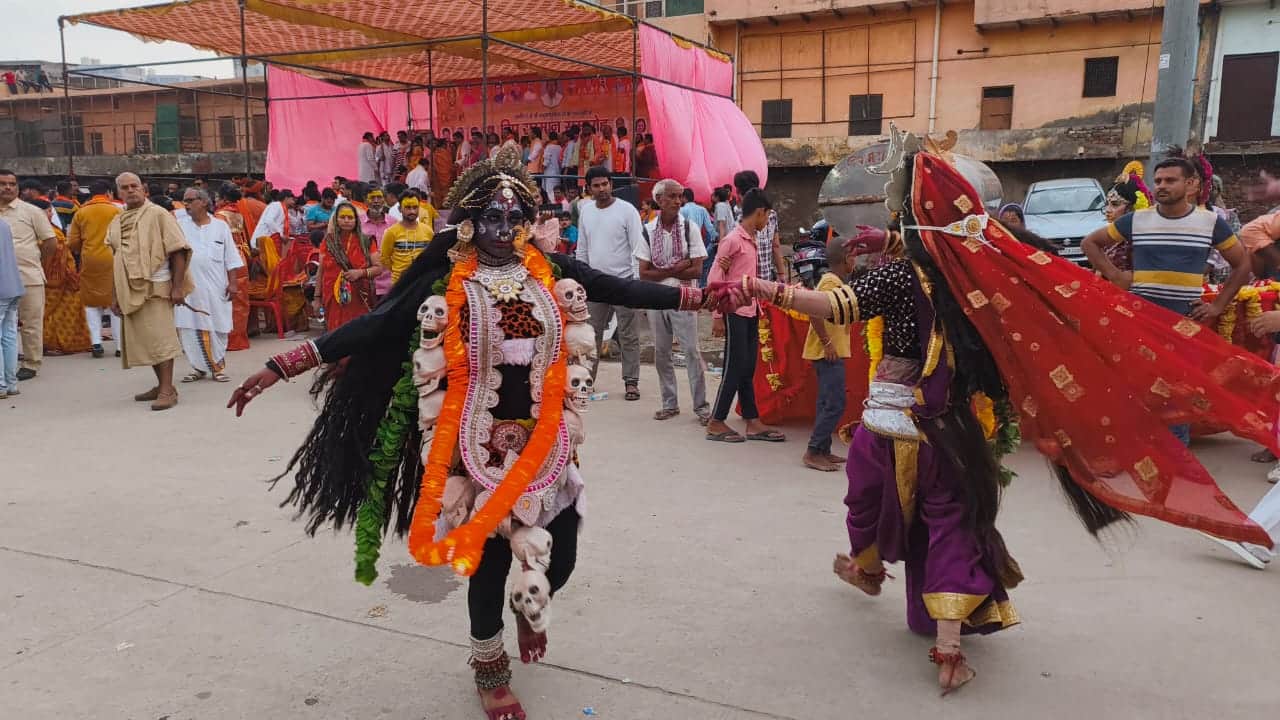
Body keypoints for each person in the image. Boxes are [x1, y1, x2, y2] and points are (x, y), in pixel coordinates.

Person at [738, 133, 1279, 692]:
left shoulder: (900, 275)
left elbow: (831, 304)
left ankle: (868, 567)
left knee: (869, 504)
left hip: (888, 426)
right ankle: (948, 647)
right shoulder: (983, 276)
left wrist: (761, 288)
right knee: (951, 524)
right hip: (952, 429)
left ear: (907, 220)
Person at [227, 146, 722, 720]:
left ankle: (529, 605)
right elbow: (377, 324)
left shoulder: (550, 269)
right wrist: (283, 364)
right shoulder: (446, 275)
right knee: (486, 567)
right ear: (468, 220)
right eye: (493, 219)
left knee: (559, 562)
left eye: (516, 219)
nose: (506, 230)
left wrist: (701, 293)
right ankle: (490, 670)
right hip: (473, 443)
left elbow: (622, 289)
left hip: (545, 436)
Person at [1082, 157, 1248, 445]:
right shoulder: (1137, 220)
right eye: (1158, 181)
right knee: (1134, 390)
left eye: (1170, 180)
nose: (1162, 186)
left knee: (1177, 396)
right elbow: (1090, 243)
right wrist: (1116, 275)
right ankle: (1135, 454)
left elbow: (1242, 266)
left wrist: (1217, 306)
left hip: (1184, 323)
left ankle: (1176, 461)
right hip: (1140, 320)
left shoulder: (1210, 223)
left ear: (1190, 184)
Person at [106, 172, 193, 411]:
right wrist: (115, 295)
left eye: (135, 186)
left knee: (161, 339)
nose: (130, 190)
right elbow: (117, 259)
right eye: (125, 187)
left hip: (157, 286)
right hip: (129, 288)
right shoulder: (117, 219)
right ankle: (162, 385)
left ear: (144, 190)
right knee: (145, 340)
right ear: (118, 193)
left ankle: (167, 390)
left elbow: (178, 251)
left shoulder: (158, 214)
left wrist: (177, 287)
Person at [704, 188, 784, 444]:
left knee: (748, 366)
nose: (767, 221)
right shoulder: (732, 240)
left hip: (750, 309)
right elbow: (714, 280)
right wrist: (717, 315)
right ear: (759, 213)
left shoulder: (749, 240)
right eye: (767, 216)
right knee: (734, 367)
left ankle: (752, 420)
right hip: (734, 310)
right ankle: (716, 420)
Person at [636, 179, 710, 423]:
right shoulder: (648, 230)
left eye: (680, 196)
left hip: (684, 297)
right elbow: (643, 272)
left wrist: (665, 270)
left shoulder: (689, 227)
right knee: (662, 352)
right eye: (673, 196)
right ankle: (670, 403)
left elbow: (698, 270)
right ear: (659, 200)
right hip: (657, 299)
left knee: (691, 350)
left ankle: (701, 406)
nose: (678, 201)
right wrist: (676, 268)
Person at [576, 166, 645, 400]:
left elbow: (638, 247)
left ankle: (631, 382)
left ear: (611, 184)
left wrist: (636, 282)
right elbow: (582, 248)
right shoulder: (586, 211)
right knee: (589, 335)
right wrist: (581, 279)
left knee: (629, 334)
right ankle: (586, 381)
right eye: (596, 185)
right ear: (589, 188)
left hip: (625, 282)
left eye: (605, 184)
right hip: (596, 283)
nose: (602, 189)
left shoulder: (627, 211)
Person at [175, 188, 242, 383]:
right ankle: (198, 368)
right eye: (184, 201)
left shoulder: (220, 226)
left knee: (219, 326)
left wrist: (233, 283)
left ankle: (217, 367)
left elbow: (230, 257)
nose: (186, 204)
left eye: (190, 200)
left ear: (204, 202)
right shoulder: (179, 226)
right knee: (189, 327)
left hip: (216, 287)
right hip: (190, 288)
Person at [800, 231, 853, 472]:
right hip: (827, 353)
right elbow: (814, 311)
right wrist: (827, 343)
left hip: (831, 351)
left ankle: (823, 449)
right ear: (846, 258)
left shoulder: (835, 280)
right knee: (834, 403)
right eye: (854, 256)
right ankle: (813, 451)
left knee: (827, 401)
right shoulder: (831, 282)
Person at [0, 169, 56, 380]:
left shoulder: (31, 211)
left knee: (31, 322)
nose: (7, 187)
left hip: (28, 276)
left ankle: (31, 363)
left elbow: (50, 242)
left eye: (12, 183)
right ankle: (5, 364)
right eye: (3, 183)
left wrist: (38, 261)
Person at [68, 180, 121, 358]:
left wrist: (82, 250)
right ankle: (120, 346)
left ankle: (96, 343)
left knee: (92, 303)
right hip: (114, 257)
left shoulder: (81, 211)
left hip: (91, 259)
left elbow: (73, 242)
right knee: (116, 300)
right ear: (108, 193)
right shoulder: (117, 210)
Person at [35, 200, 91, 356]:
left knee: (64, 308)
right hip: (53, 276)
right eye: (48, 211)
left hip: (62, 275)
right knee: (50, 311)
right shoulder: (41, 231)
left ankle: (54, 343)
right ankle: (52, 343)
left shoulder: (51, 229)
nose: (51, 214)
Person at [319, 202, 381, 331]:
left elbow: (378, 268)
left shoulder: (366, 241)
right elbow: (321, 270)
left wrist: (359, 273)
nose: (346, 221)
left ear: (356, 220)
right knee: (335, 334)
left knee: (356, 333)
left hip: (358, 295)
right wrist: (316, 298)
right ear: (336, 220)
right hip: (332, 295)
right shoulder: (328, 241)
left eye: (350, 217)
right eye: (342, 217)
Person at [733, 170, 785, 283]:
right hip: (766, 281)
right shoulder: (771, 214)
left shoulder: (738, 218)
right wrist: (782, 274)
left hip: (745, 283)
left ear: (740, 194)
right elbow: (775, 246)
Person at [1100, 164, 1152, 273]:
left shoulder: (1139, 240)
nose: (1108, 210)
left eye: (1115, 204)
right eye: (1107, 204)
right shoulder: (1109, 236)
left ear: (1132, 208)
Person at [379, 193, 438, 286]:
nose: (412, 211)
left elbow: (432, 254)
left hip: (422, 281)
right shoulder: (391, 232)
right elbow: (384, 258)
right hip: (400, 282)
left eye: (415, 207)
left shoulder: (428, 231)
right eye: (408, 208)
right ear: (400, 209)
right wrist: (398, 270)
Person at [0, 219, 21, 397]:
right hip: (12, 284)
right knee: (9, 335)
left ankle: (0, 385)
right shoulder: (5, 224)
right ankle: (11, 383)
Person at [431, 137, 455, 209]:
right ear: (444, 144)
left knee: (439, 193)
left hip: (438, 178)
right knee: (446, 193)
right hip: (447, 177)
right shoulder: (445, 153)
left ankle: (439, 206)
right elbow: (449, 165)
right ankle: (446, 206)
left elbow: (434, 166)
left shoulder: (435, 153)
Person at [541, 131, 563, 199]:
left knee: (550, 192)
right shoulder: (560, 147)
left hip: (549, 173)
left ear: (549, 138)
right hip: (557, 173)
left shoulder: (549, 147)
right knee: (556, 191)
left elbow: (546, 161)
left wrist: (542, 168)